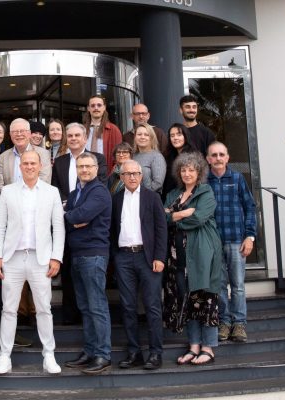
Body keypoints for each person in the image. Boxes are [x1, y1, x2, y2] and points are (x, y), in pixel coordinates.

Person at [0, 151, 65, 375]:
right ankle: (4, 356)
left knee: (44, 309)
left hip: (40, 258)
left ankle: (49, 355)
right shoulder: (8, 191)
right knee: (9, 309)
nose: (29, 166)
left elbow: (58, 227)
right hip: (12, 258)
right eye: (25, 163)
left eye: (33, 163)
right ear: (20, 166)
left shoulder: (52, 192)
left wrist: (56, 257)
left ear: (40, 165)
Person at [164, 152, 222, 366]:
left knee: (206, 297)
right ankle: (194, 346)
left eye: (191, 170)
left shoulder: (206, 192)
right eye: (183, 170)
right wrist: (182, 213)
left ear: (199, 172)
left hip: (202, 252)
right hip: (178, 256)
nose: (187, 173)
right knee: (187, 299)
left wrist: (174, 216)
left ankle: (208, 347)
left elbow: (198, 218)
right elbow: (163, 217)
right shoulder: (173, 193)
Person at [110, 160, 167, 370]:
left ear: (141, 176)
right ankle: (134, 353)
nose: (132, 177)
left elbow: (161, 229)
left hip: (147, 258)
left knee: (152, 306)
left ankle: (155, 353)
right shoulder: (116, 199)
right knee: (128, 307)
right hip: (124, 258)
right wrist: (115, 257)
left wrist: (159, 257)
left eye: (136, 173)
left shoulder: (152, 198)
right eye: (128, 174)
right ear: (121, 177)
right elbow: (112, 229)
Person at [51, 122, 107, 325]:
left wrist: (75, 211)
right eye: (70, 135)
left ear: (85, 138)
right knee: (68, 272)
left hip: (90, 230)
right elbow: (55, 189)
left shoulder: (97, 159)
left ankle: (91, 324)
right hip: (67, 225)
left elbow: (98, 188)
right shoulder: (60, 161)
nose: (73, 138)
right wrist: (70, 208)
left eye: (77, 135)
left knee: (91, 289)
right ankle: (70, 316)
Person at [64, 153, 112, 375]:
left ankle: (103, 355)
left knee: (97, 306)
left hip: (93, 255)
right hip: (77, 254)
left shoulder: (99, 191)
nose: (84, 170)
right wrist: (72, 217)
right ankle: (90, 351)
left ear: (96, 168)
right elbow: (73, 219)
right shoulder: (76, 193)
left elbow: (79, 215)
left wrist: (71, 216)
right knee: (85, 307)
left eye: (88, 166)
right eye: (80, 166)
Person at [206, 142, 257, 343]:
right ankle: (224, 322)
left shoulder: (237, 179)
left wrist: (250, 236)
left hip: (237, 240)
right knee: (219, 285)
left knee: (238, 286)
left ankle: (239, 324)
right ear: (208, 159)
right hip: (214, 242)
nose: (218, 158)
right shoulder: (204, 181)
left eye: (221, 154)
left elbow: (250, 207)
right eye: (214, 155)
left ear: (227, 158)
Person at [0, 118, 52, 189]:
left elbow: (44, 181)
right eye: (15, 131)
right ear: (10, 135)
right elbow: (0, 184)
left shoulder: (43, 154)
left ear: (29, 133)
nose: (19, 134)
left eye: (22, 131)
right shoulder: (3, 157)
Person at [83, 95, 122, 171]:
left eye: (99, 105)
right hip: (84, 170)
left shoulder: (114, 130)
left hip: (106, 172)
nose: (96, 108)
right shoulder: (81, 130)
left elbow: (118, 156)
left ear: (104, 107)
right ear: (88, 108)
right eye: (93, 105)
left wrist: (112, 174)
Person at [163, 123, 200, 199]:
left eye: (179, 134)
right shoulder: (168, 155)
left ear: (185, 136)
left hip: (188, 198)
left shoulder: (193, 156)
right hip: (170, 198)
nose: (175, 138)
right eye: (172, 136)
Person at [132, 123, 167, 193]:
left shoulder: (156, 156)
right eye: (139, 134)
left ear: (151, 138)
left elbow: (158, 184)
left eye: (146, 135)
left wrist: (143, 194)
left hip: (150, 196)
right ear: (135, 137)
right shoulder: (133, 156)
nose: (142, 137)